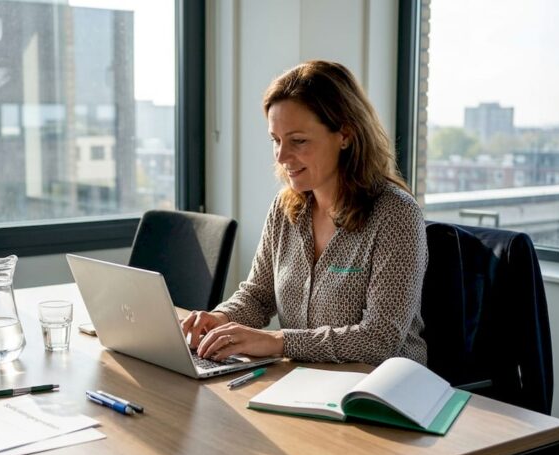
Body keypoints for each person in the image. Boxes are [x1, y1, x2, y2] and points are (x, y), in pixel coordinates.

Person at [181, 60, 428, 367]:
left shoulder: (396, 214)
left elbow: (380, 339)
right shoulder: (286, 209)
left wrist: (276, 341)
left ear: (345, 135)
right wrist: (220, 319)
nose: (282, 156)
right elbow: (259, 295)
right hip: (304, 382)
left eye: (298, 141)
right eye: (276, 141)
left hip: (381, 392)